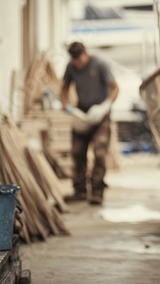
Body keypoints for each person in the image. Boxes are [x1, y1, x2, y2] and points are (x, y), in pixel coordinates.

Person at [61, 42, 119, 205]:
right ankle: (79, 191)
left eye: (79, 59)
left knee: (100, 153)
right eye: (74, 61)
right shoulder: (71, 67)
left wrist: (105, 106)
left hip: (100, 114)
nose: (77, 63)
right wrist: (66, 104)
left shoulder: (100, 64)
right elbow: (64, 87)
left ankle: (97, 192)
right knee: (77, 152)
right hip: (82, 112)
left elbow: (115, 88)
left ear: (85, 54)